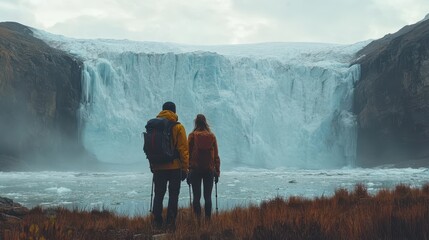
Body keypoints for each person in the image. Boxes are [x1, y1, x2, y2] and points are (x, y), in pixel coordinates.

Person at [150, 101, 189, 228]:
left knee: (158, 195)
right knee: (173, 195)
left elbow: (150, 147)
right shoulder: (178, 127)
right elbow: (183, 150)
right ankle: (171, 223)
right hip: (175, 167)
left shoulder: (153, 126)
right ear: (174, 111)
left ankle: (157, 222)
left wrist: (153, 165)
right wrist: (185, 168)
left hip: (158, 167)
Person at [187, 114, 220, 220]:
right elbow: (216, 156)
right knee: (208, 197)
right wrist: (217, 172)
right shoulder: (212, 136)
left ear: (196, 122)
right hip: (209, 170)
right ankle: (208, 221)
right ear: (205, 122)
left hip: (195, 169)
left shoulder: (192, 135)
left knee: (196, 197)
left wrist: (188, 170)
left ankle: (197, 220)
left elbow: (188, 153)